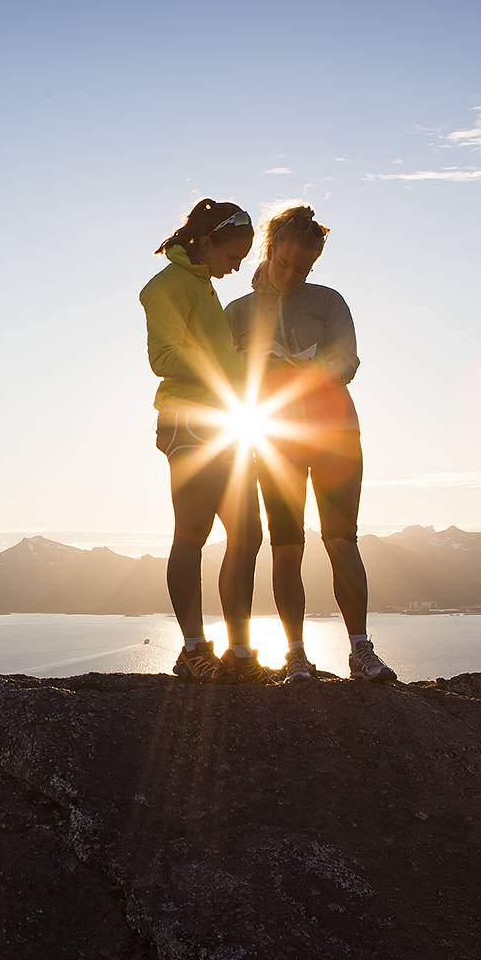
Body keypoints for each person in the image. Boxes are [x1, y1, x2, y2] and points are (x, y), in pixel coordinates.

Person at [226, 205, 396, 683]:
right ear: (270, 247)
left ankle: (360, 650)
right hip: (276, 436)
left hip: (336, 434)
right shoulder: (237, 313)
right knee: (286, 546)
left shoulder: (328, 300)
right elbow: (224, 378)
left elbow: (348, 363)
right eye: (287, 264)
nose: (295, 274)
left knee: (342, 540)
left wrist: (306, 366)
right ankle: (296, 655)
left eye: (305, 268)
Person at [140, 198, 271, 683]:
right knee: (192, 534)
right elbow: (164, 356)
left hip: (226, 422)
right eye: (234, 256)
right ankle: (194, 649)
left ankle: (239, 653)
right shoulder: (166, 286)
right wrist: (236, 368)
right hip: (188, 423)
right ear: (209, 239)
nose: (237, 267)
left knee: (247, 534)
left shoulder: (201, 286)